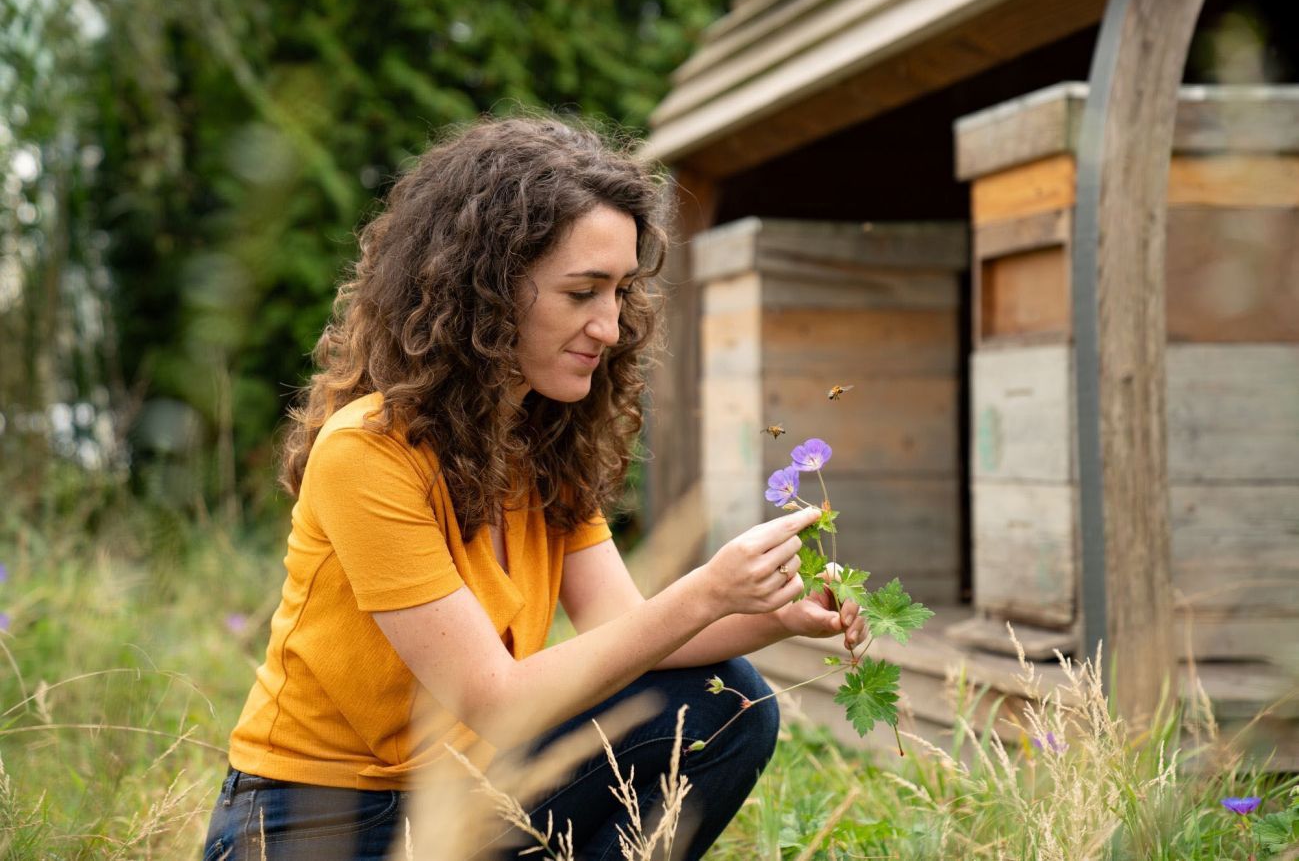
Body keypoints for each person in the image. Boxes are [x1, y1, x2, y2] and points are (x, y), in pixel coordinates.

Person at [201, 116, 865, 861]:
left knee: (727, 705)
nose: (610, 327)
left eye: (618, 292)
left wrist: (778, 615)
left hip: (461, 798)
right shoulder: (367, 451)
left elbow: (629, 632)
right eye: (582, 292)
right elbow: (495, 702)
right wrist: (707, 589)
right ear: (482, 290)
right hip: (311, 822)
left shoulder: (540, 447)